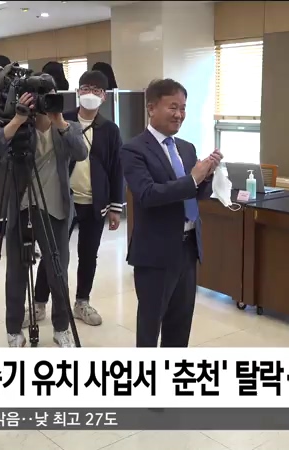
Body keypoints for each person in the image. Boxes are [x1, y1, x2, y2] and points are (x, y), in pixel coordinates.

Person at [120, 78, 223, 348]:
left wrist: (207, 176)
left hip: (188, 248)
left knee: (180, 324)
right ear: (152, 108)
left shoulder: (186, 148)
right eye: (173, 107)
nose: (179, 114)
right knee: (150, 326)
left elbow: (195, 194)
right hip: (155, 252)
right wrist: (193, 178)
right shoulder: (133, 149)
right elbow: (147, 194)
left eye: (183, 108)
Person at [0, 74, 87, 348]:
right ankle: (13, 328)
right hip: (21, 208)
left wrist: (59, 120)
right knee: (16, 273)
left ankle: (61, 327)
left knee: (58, 272)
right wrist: (17, 119)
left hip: (55, 209)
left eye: (48, 95)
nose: (43, 101)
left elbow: (81, 153)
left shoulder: (68, 127)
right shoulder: (19, 128)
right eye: (38, 96)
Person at [32, 70, 123, 327]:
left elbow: (117, 169)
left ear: (104, 96)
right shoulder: (61, 119)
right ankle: (39, 303)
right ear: (77, 91)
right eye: (86, 88)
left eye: (96, 90)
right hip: (61, 200)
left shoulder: (110, 130)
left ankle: (82, 302)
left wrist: (115, 207)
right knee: (52, 254)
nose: (90, 94)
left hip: (95, 203)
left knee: (88, 255)